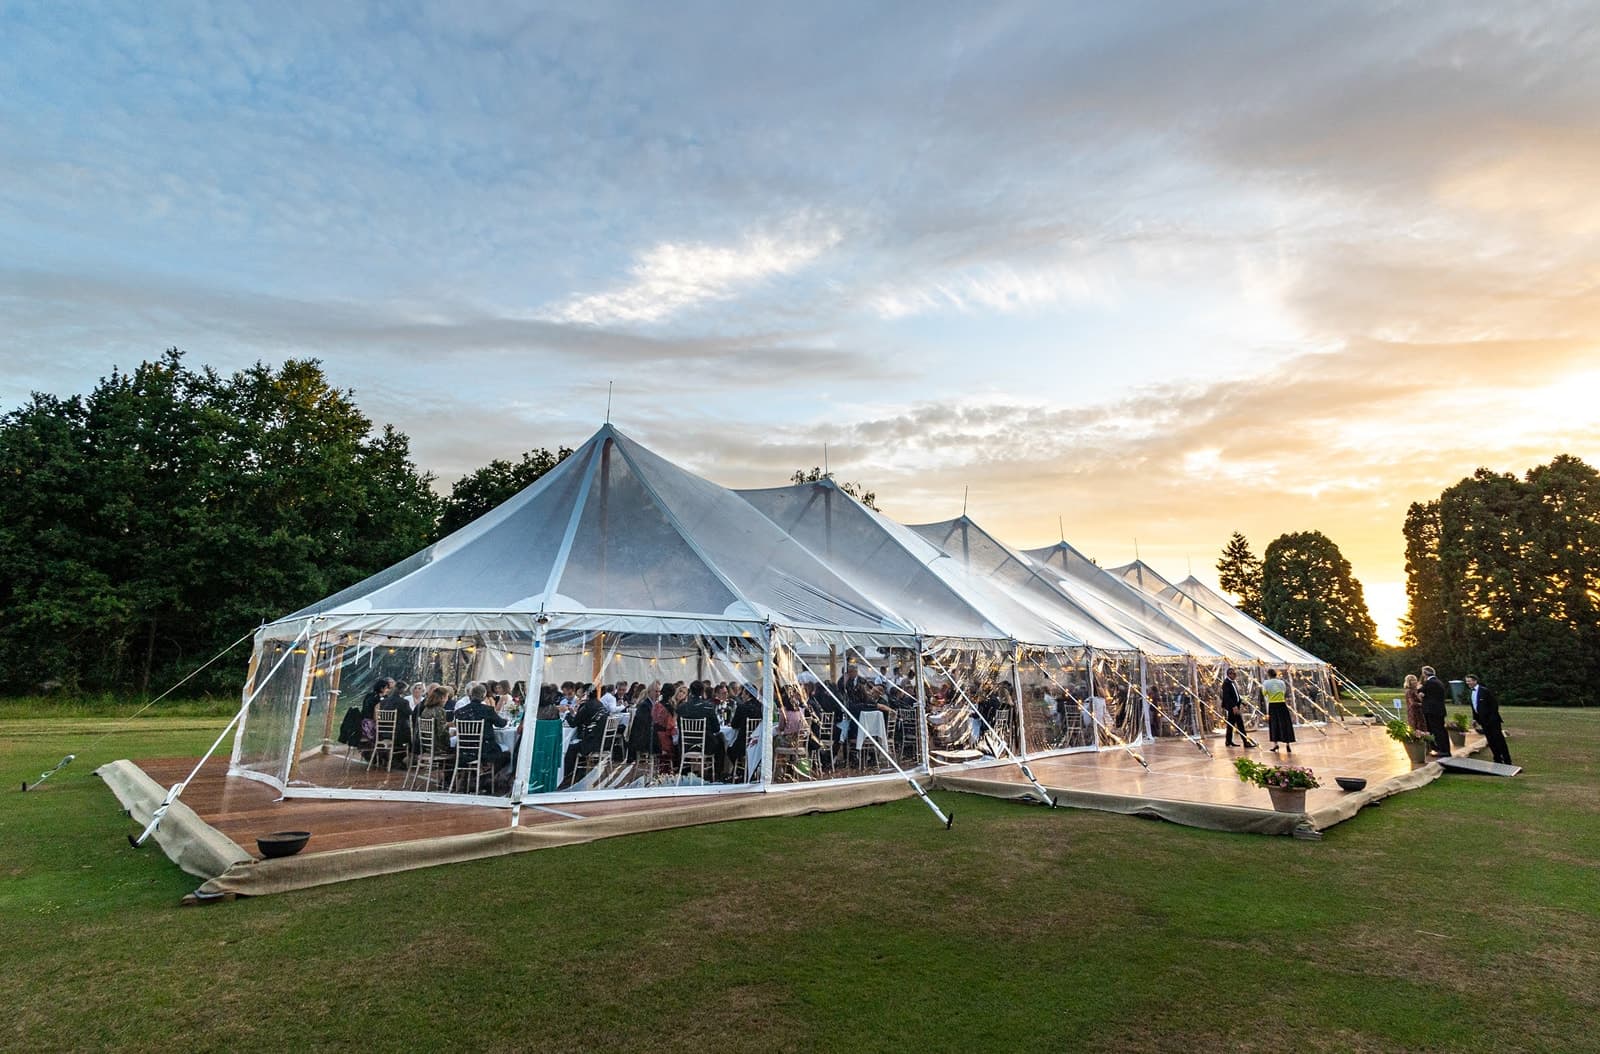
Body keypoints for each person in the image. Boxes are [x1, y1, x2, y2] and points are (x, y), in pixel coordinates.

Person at [451, 682, 509, 782]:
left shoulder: (459, 712)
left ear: (471, 695)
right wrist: (506, 720)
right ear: (483, 696)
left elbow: (456, 726)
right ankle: (486, 779)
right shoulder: (487, 710)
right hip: (484, 749)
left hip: (462, 749)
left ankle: (474, 777)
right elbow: (501, 724)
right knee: (507, 755)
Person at [1464, 674, 1513, 765]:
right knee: (1490, 740)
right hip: (1483, 721)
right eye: (1467, 681)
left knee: (1499, 739)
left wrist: (1491, 718)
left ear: (1475, 681)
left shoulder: (1484, 691)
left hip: (1492, 720)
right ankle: (1497, 758)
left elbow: (1494, 705)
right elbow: (1475, 707)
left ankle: (1507, 759)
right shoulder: (1471, 692)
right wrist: (1475, 719)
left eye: (1469, 681)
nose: (1468, 683)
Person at [1220, 667, 1256, 748]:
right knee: (1240, 724)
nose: (1235, 675)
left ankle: (1228, 741)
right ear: (1229, 674)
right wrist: (1234, 706)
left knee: (1231, 724)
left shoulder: (1232, 682)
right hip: (1233, 708)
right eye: (1233, 674)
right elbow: (1227, 697)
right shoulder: (1226, 683)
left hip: (1236, 706)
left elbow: (1235, 695)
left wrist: (1241, 702)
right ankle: (1245, 742)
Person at [1419, 665, 1450, 757]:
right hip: (1439, 710)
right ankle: (1444, 749)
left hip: (1432, 711)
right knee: (1441, 730)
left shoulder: (1429, 683)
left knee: (1438, 731)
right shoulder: (1438, 682)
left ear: (1425, 674)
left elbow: (1420, 691)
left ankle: (1443, 750)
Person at [1262, 668, 1294, 753]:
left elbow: (1264, 693)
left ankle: (1275, 744)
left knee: (1274, 724)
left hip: (1273, 705)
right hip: (1282, 704)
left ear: (1268, 675)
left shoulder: (1266, 683)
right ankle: (1287, 744)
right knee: (1285, 724)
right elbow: (1284, 692)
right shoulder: (1281, 682)